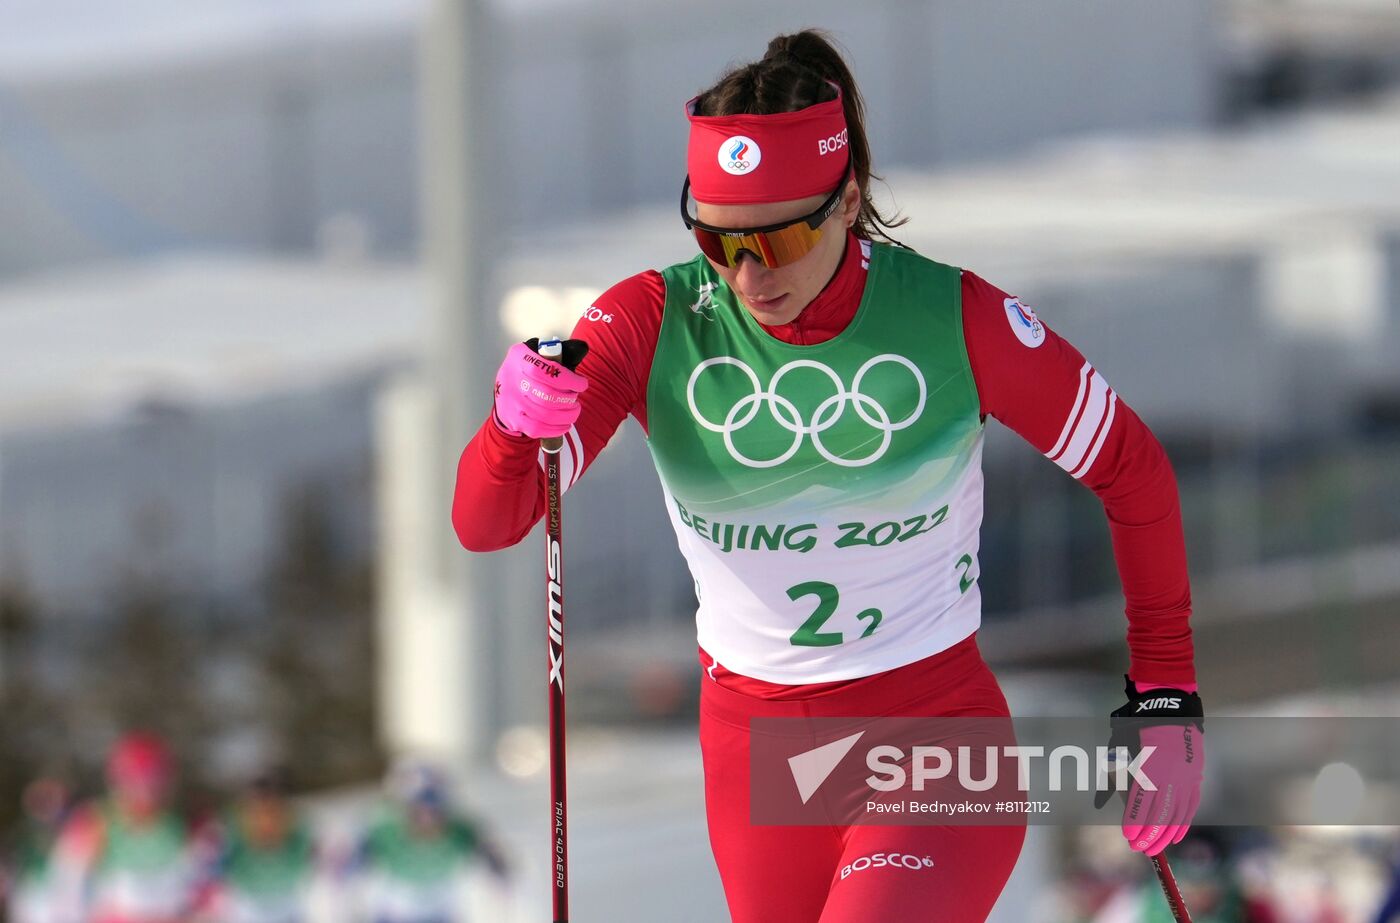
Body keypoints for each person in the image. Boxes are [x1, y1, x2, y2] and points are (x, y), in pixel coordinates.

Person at [453, 30, 1204, 922]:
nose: (744, 274)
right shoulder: (653, 323)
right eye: (716, 237)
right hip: (756, 759)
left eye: (777, 240)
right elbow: (488, 522)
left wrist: (1165, 692)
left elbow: (1133, 467)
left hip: (932, 740)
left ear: (847, 202)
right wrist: (511, 427)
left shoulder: (952, 319)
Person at [49, 732, 201, 923]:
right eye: (137, 779)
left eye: (154, 779)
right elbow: (67, 890)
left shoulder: (182, 825)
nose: (146, 789)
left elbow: (198, 890)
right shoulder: (94, 822)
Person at [349, 760, 509, 923]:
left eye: (435, 810)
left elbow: (493, 860)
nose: (427, 818)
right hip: (393, 912)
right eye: (418, 811)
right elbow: (350, 869)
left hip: (442, 912)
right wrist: (354, 860)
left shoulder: (462, 832)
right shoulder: (383, 832)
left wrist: (495, 864)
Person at [197, 771, 317, 923]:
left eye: (272, 813)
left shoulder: (299, 844)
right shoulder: (231, 849)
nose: (266, 822)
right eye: (258, 815)